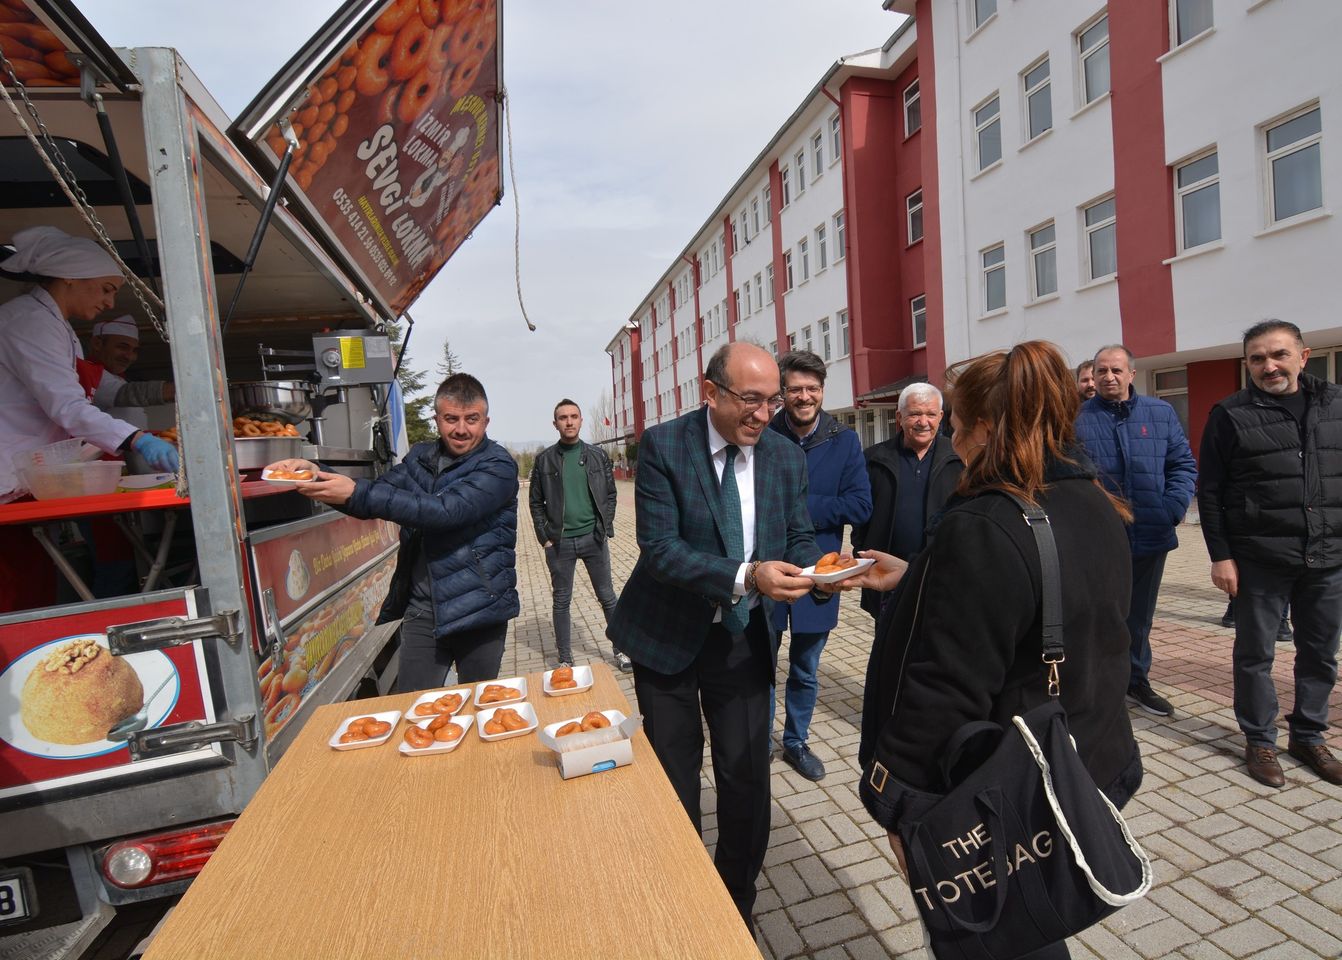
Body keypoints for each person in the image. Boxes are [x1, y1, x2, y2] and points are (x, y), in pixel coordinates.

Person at [839, 341, 1142, 960]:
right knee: (1035, 918)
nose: (950, 440)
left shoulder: (984, 522)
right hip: (1080, 761)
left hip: (998, 789)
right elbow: (1038, 597)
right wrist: (921, 574)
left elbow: (943, 688)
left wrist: (904, 809)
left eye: (953, 425)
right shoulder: (1092, 501)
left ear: (982, 428)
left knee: (991, 933)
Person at [606, 342, 819, 930]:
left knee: (746, 779)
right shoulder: (665, 445)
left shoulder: (784, 458)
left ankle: (733, 907)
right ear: (711, 393)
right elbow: (661, 550)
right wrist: (748, 575)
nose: (764, 413)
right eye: (750, 399)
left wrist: (822, 571)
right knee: (675, 780)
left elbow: (796, 536)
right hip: (667, 638)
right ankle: (682, 899)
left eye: (773, 400)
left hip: (743, 639)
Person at [266, 373, 519, 692]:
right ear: (437, 418)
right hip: (424, 610)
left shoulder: (497, 467)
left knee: (480, 705)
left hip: (480, 609)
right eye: (451, 419)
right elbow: (376, 495)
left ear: (486, 420)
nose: (461, 429)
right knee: (413, 707)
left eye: (472, 419)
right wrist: (316, 474)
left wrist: (356, 492)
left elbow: (446, 511)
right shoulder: (420, 460)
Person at [0, 226, 178, 612]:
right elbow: (67, 407)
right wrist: (137, 439)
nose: (110, 301)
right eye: (106, 288)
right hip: (6, 482)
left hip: (25, 481)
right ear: (70, 277)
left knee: (35, 585)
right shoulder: (27, 321)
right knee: (16, 596)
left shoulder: (54, 325)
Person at [1198, 320, 1342, 788]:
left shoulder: (1336, 405)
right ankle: (1260, 740)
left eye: (1279, 354)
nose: (1269, 366)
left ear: (1304, 356)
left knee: (1320, 653)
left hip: (1328, 556)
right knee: (1255, 655)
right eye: (1257, 358)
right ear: (1247, 365)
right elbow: (1211, 491)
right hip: (1259, 558)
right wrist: (1221, 556)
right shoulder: (1231, 413)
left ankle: (1308, 736)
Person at [1076, 345, 1197, 718]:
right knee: (1098, 614)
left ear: (1131, 373)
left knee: (1140, 618)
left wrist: (1171, 510)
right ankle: (1097, 686)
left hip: (1150, 533)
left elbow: (1182, 465)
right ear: (1092, 377)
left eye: (1116, 370)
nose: (1108, 377)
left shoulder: (1160, 413)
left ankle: (1137, 680)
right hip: (1098, 540)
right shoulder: (1076, 419)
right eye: (1101, 371)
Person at [767, 350, 871, 781]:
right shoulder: (765, 436)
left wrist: (799, 509)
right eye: (795, 389)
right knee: (760, 668)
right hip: (768, 572)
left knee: (806, 670)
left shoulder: (843, 439)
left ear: (822, 391)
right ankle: (755, 740)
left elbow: (860, 505)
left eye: (812, 388)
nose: (804, 396)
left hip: (819, 573)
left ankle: (795, 742)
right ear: (782, 394)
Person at [850, 382, 962, 619]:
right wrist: (862, 553)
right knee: (888, 647)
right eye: (915, 414)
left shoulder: (960, 459)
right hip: (885, 578)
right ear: (899, 417)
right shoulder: (873, 459)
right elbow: (860, 517)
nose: (924, 422)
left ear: (941, 417)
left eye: (931, 414)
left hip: (942, 576)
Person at [529, 398, 622, 670]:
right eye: (563, 417)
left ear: (581, 420)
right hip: (559, 543)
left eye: (573, 416)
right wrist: (544, 536)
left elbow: (611, 495)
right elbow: (535, 502)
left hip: (593, 539)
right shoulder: (544, 460)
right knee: (561, 601)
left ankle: (621, 649)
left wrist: (604, 526)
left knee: (607, 596)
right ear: (555, 423)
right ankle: (565, 659)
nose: (569, 421)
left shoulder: (597, 455)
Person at [84, 315, 175, 428]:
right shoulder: (86, 373)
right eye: (122, 347)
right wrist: (178, 391)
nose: (129, 357)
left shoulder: (117, 377)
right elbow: (126, 393)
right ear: (97, 344)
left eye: (135, 350)